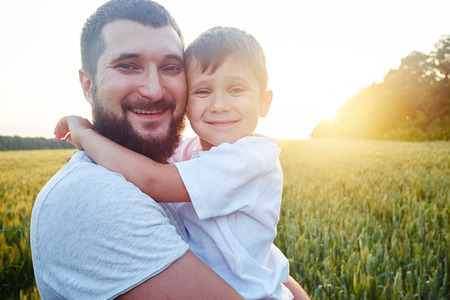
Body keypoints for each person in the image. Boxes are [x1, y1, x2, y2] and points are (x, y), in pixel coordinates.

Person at [31, 0, 309, 299]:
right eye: (127, 65)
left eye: (170, 68)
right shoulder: (92, 195)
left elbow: (252, 253)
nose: (154, 90)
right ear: (88, 85)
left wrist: (85, 135)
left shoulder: (246, 158)